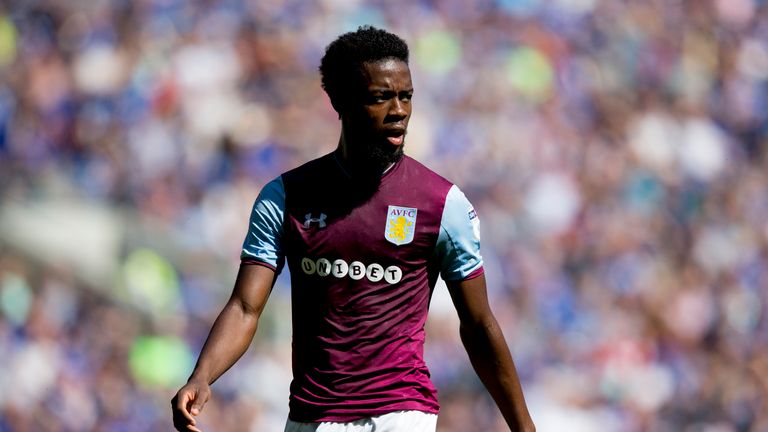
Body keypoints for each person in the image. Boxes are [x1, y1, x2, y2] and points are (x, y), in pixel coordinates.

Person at [171, 25, 535, 432]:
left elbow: (479, 324)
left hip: (400, 414)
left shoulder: (442, 204)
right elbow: (244, 307)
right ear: (340, 101)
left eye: (406, 96)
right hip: (310, 416)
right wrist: (202, 376)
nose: (399, 110)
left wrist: (523, 426)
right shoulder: (286, 197)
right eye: (381, 97)